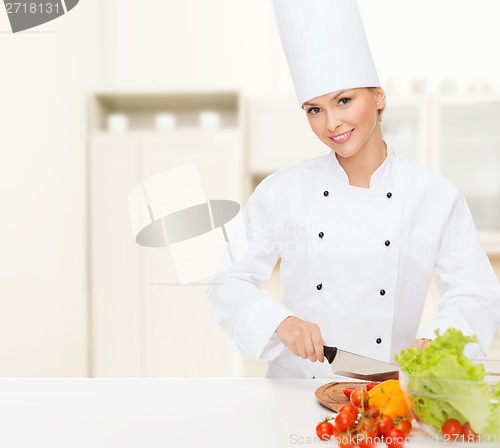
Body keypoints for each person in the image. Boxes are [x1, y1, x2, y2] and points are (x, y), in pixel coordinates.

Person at [206, 0, 500, 378]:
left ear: (378, 96)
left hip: (386, 392)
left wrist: (437, 342)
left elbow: (475, 293)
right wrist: (281, 322)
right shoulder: (282, 191)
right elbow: (227, 281)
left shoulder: (436, 196)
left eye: (344, 101)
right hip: (295, 390)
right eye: (314, 109)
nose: (332, 123)